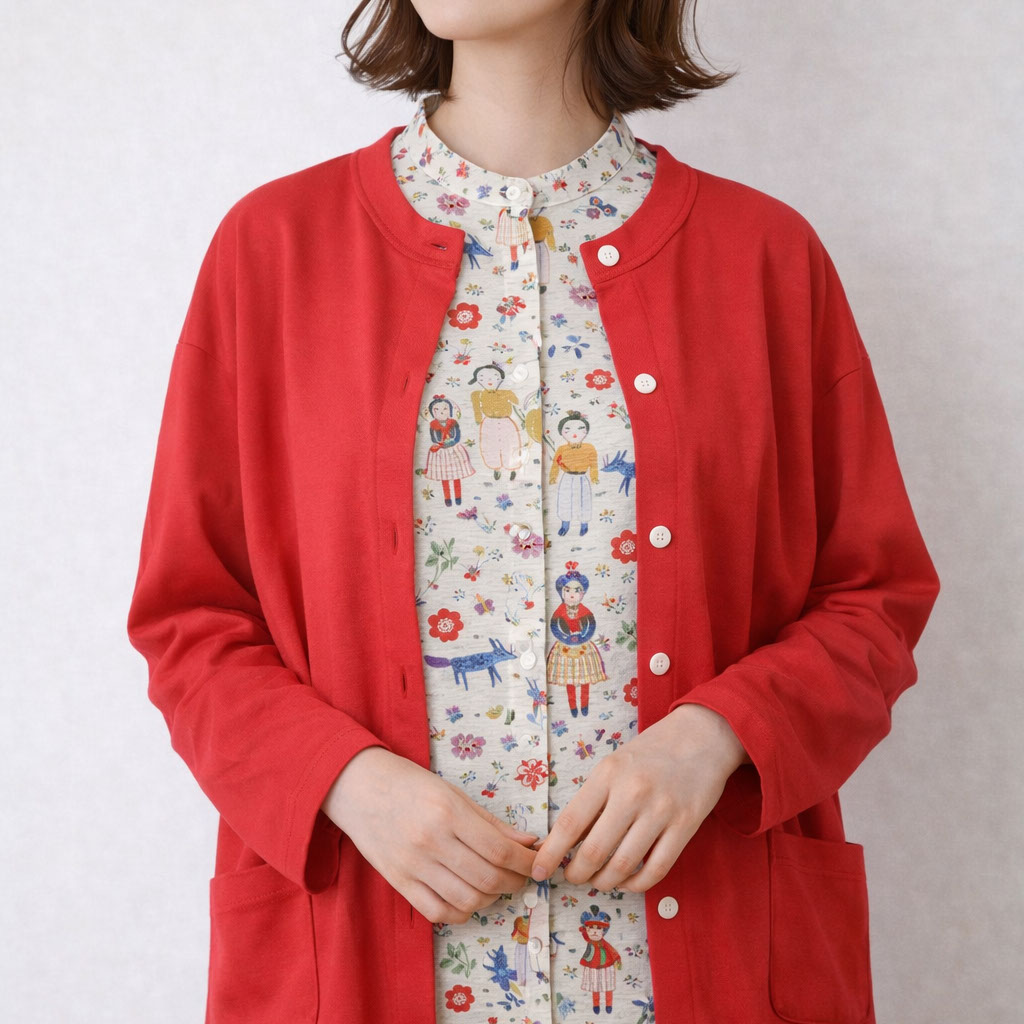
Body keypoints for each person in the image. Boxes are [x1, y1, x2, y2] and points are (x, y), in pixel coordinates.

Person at [125, 2, 941, 1022]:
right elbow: (190, 615)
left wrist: (714, 738)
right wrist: (345, 781)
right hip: (360, 958)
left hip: (704, 961)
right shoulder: (276, 250)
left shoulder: (765, 257)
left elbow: (874, 596)